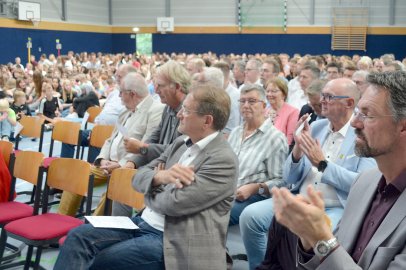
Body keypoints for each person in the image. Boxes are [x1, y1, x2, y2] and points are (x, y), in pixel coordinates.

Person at [54, 83, 238, 270]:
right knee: (78, 237)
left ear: (207, 121)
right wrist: (159, 178)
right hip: (142, 223)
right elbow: (137, 177)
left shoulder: (222, 160)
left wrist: (149, 192)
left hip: (175, 238)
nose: (179, 114)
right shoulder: (180, 143)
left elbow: (173, 204)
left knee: (106, 260)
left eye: (186, 110)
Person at [271, 71, 406, 270]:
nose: (355, 122)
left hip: (333, 205)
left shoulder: (361, 181)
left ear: (402, 127)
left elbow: (333, 250)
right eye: (358, 112)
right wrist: (310, 241)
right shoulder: (366, 183)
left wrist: (321, 238)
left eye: (367, 114)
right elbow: (334, 257)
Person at [238, 78, 376, 270]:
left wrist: (323, 164)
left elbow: (362, 185)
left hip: (335, 206)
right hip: (300, 196)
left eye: (329, 97)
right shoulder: (317, 127)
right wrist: (297, 150)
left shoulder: (362, 135)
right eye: (323, 96)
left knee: (317, 234)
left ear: (349, 103)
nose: (322, 101)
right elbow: (289, 178)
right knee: (250, 216)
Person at [57, 72, 164, 216]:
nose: (119, 96)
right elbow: (110, 139)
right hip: (108, 164)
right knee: (77, 174)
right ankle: (63, 220)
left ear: (132, 94)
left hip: (128, 167)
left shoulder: (155, 110)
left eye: (121, 93)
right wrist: (102, 159)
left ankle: (93, 230)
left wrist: (120, 164)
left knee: (113, 190)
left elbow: (145, 147)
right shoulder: (125, 110)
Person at [113, 60, 191, 216]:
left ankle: (127, 230)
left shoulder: (189, 111)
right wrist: (132, 162)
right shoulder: (168, 107)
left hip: (176, 173)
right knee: (123, 177)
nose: (155, 90)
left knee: (127, 182)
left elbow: (178, 149)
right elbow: (153, 138)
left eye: (160, 85)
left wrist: (143, 148)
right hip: (159, 165)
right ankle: (119, 230)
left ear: (177, 86)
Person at [228, 84, 288, 226]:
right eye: (242, 101)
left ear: (264, 105)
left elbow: (282, 181)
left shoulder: (274, 138)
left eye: (252, 101)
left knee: (211, 213)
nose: (246, 105)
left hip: (252, 197)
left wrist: (256, 188)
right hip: (226, 193)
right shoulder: (236, 133)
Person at [265, 77, 299, 145]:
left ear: (283, 94)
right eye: (267, 91)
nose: (269, 94)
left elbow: (289, 141)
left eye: (274, 91)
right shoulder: (264, 111)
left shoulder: (293, 112)